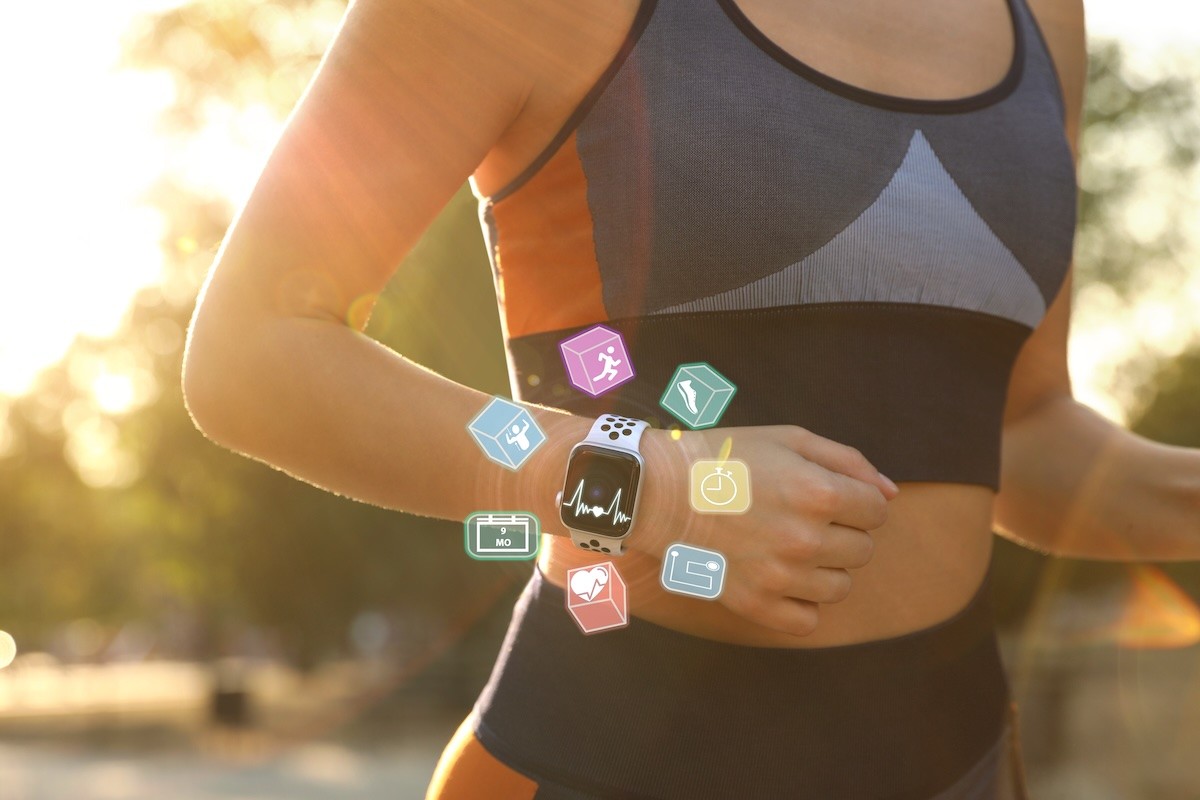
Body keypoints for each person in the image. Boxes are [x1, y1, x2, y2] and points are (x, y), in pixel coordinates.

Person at [180, 0, 1200, 797]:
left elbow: (1015, 432)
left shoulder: (1043, 21)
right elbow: (255, 352)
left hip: (965, 761)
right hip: (613, 759)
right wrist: (657, 486)